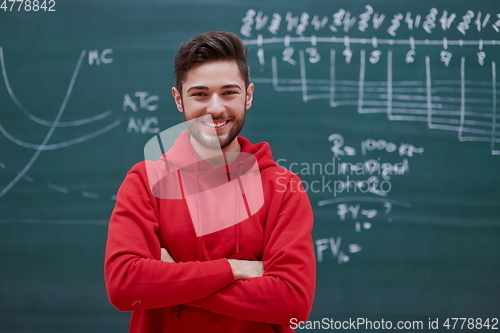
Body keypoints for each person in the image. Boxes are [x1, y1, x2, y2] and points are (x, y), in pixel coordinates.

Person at [104, 31, 316, 333]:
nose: (215, 108)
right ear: (179, 100)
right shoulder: (145, 181)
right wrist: (236, 269)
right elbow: (124, 286)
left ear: (249, 95)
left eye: (229, 93)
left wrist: (172, 278)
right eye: (200, 94)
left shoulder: (283, 187)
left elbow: (292, 302)